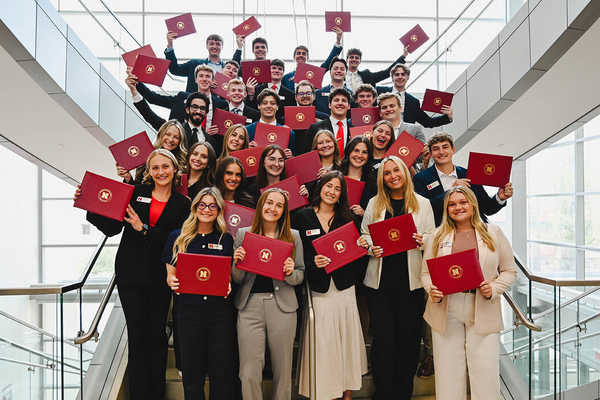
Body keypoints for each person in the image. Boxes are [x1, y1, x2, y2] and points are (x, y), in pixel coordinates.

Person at [74, 149, 191, 400]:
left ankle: (157, 394)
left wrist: (143, 228)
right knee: (137, 337)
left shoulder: (183, 204)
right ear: (148, 171)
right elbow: (112, 228)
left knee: (157, 335)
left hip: (161, 277)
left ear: (174, 169)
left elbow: (178, 241)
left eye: (165, 167)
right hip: (131, 275)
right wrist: (89, 205)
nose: (161, 172)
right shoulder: (136, 194)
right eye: (155, 168)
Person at [421, 186, 517, 399]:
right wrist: (432, 290)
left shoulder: (494, 232)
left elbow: (510, 271)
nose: (458, 207)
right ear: (447, 209)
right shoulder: (437, 236)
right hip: (447, 308)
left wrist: (494, 288)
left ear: (473, 203)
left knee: (485, 374)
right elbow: (426, 273)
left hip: (483, 306)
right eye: (452, 204)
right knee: (448, 374)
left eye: (463, 202)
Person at [361, 156, 435, 400]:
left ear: (404, 172)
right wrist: (372, 247)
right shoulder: (375, 203)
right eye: (387, 172)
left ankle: (403, 393)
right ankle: (383, 393)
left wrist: (421, 240)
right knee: (383, 340)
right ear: (382, 178)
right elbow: (364, 235)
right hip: (379, 284)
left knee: (408, 341)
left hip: (410, 283)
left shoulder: (423, 203)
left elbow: (432, 237)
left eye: (396, 171)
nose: (392, 176)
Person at [292, 171, 369, 400]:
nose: (332, 192)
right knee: (324, 344)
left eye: (337, 189)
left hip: (345, 288)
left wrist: (362, 246)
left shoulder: (348, 219)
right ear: (319, 188)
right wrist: (311, 263)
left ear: (341, 194)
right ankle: (328, 392)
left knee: (346, 339)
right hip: (318, 290)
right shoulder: (301, 218)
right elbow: (295, 256)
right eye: (328, 186)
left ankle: (346, 391)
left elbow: (357, 257)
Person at [163, 187, 237, 400]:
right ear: (195, 208)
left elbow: (227, 276)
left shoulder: (225, 239)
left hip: (219, 313)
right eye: (202, 205)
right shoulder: (178, 237)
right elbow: (170, 274)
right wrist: (172, 281)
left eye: (212, 206)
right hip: (188, 313)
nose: (207, 209)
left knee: (221, 371)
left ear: (219, 210)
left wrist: (228, 284)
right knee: (192, 372)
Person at [232, 189, 305, 400]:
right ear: (261, 205)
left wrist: (290, 272)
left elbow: (300, 276)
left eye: (279, 205)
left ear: (284, 211)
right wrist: (238, 261)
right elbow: (236, 278)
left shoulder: (294, 237)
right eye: (269, 203)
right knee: (248, 370)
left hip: (282, 308)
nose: (273, 208)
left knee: (283, 370)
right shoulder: (243, 234)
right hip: (249, 307)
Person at [413, 132, 514, 227]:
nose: (441, 152)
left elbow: (486, 208)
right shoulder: (421, 178)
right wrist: (451, 192)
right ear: (430, 153)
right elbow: (425, 210)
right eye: (436, 149)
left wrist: (500, 197)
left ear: (453, 149)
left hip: (471, 231)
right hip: (440, 233)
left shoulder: (469, 174)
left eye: (445, 147)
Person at [136, 65, 227, 129]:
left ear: (213, 81)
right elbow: (154, 98)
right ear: (196, 80)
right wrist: (136, 83)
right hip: (181, 145)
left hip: (209, 147)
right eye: (201, 76)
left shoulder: (221, 104)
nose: (204, 79)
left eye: (208, 76)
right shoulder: (182, 97)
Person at [377, 63, 453, 128]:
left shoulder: (413, 102)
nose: (400, 77)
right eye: (397, 74)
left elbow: (428, 122)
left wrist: (447, 117)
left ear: (408, 77)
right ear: (392, 78)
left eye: (403, 74)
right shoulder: (379, 91)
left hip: (402, 139)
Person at [164, 32, 243, 93]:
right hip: (196, 106)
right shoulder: (194, 64)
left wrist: (239, 47)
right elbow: (175, 70)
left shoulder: (229, 69)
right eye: (211, 44)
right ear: (206, 46)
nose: (215, 47)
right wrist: (170, 45)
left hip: (221, 106)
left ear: (222, 47)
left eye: (218, 44)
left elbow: (236, 67)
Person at [117, 120, 188, 184]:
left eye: (176, 137)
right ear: (161, 134)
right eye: (167, 134)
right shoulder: (146, 156)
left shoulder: (182, 164)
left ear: (180, 141)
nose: (171, 139)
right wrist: (128, 178)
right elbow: (138, 187)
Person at [282, 26, 344, 91]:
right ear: (294, 57)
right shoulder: (286, 78)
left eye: (304, 54)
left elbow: (328, 63)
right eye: (298, 53)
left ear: (307, 58)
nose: (301, 55)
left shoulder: (314, 72)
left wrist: (338, 41)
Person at [245, 89, 297, 157]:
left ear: (277, 107)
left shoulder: (288, 133)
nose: (269, 106)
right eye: (265, 103)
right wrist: (246, 150)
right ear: (258, 106)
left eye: (272, 103)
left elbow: (293, 160)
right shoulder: (247, 130)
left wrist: (291, 156)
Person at [302, 87, 354, 155]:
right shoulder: (315, 128)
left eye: (344, 101)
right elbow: (305, 154)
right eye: (336, 100)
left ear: (349, 106)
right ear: (329, 105)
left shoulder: (353, 130)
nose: (340, 103)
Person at [246, 59, 296, 123]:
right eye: (274, 68)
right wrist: (251, 94)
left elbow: (290, 115)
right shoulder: (256, 90)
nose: (276, 71)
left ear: (283, 74)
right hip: (260, 126)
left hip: (280, 128)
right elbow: (251, 110)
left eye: (280, 69)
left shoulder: (290, 95)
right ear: (268, 71)